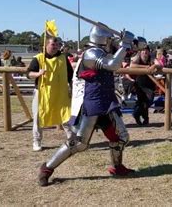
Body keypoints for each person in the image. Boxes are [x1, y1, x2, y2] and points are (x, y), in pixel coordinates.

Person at [37, 26, 137, 186]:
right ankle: (47, 168)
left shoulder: (103, 52)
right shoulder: (92, 54)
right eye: (110, 39)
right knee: (79, 143)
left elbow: (122, 56)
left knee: (120, 138)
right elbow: (112, 65)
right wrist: (125, 44)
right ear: (102, 39)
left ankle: (117, 167)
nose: (112, 42)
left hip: (108, 102)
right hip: (93, 103)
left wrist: (130, 44)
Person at [28, 36, 74, 152]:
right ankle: (37, 141)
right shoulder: (38, 58)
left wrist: (72, 89)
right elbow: (28, 73)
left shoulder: (63, 58)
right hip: (42, 93)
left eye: (57, 45)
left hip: (61, 92)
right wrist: (38, 74)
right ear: (46, 45)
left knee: (66, 116)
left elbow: (71, 76)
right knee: (38, 117)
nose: (55, 47)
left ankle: (73, 140)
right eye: (53, 44)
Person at [130, 46, 162, 126]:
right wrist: (145, 67)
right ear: (140, 52)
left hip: (150, 83)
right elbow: (132, 65)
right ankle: (145, 119)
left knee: (149, 99)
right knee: (142, 101)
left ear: (149, 51)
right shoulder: (138, 58)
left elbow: (159, 64)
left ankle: (136, 113)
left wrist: (154, 66)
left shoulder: (151, 58)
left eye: (146, 51)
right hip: (140, 83)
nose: (145, 52)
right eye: (143, 51)